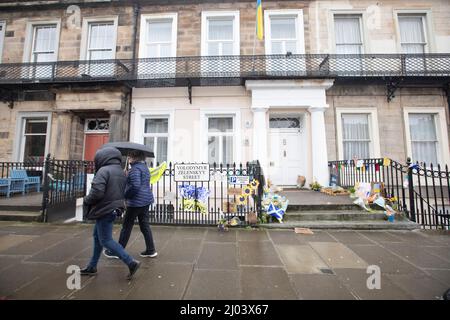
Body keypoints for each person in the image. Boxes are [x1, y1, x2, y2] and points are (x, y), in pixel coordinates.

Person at [81, 147, 141, 280]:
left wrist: (86, 199)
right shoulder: (120, 171)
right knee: (97, 237)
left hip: (104, 209)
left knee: (106, 240)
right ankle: (92, 266)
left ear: (102, 157)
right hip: (114, 208)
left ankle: (131, 262)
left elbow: (97, 192)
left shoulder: (103, 170)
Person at [104, 150, 157, 259]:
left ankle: (118, 252)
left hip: (136, 202)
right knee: (144, 225)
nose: (128, 158)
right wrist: (127, 175)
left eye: (129, 156)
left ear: (133, 157)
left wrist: (126, 195)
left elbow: (136, 186)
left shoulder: (135, 169)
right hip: (146, 201)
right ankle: (151, 250)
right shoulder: (143, 168)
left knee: (126, 227)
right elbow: (141, 183)